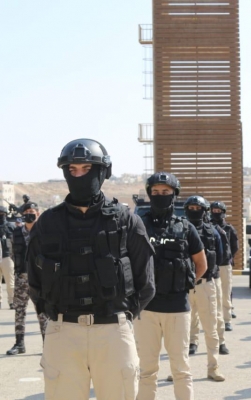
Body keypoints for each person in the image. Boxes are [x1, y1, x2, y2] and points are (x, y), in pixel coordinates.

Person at [28, 138, 155, 400]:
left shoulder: (126, 220)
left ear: (102, 172)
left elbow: (146, 282)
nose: (79, 176)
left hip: (113, 333)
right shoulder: (48, 223)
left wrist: (121, 318)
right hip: (63, 333)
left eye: (86, 169)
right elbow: (34, 281)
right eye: (72, 170)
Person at [136, 172, 208, 399]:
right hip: (146, 309)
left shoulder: (186, 228)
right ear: (149, 194)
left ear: (174, 194)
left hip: (177, 308)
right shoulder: (138, 225)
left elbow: (201, 264)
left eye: (165, 192)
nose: (160, 196)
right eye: (155, 192)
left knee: (181, 368)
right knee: (146, 370)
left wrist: (183, 283)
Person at [184, 195, 226, 381]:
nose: (194, 211)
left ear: (204, 211)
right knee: (180, 331)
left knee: (210, 328)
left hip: (205, 284)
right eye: (191, 208)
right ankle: (179, 369)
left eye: (198, 208)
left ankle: (213, 367)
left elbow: (220, 257)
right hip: (183, 287)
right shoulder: (179, 229)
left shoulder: (213, 232)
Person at [6, 201, 48, 355]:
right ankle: (19, 344)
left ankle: (47, 345)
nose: (29, 215)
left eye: (32, 212)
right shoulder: (16, 233)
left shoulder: (43, 232)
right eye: (26, 213)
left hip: (40, 278)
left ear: (38, 214)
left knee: (43, 312)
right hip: (21, 278)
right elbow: (12, 254)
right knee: (19, 311)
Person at [210, 201, 238, 329]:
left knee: (225, 293)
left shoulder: (229, 228)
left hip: (224, 264)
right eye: (214, 211)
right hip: (211, 265)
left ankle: (227, 320)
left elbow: (234, 246)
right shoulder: (208, 227)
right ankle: (213, 320)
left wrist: (228, 257)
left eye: (219, 211)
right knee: (211, 294)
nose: (216, 213)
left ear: (223, 212)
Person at [0, 205, 15, 309]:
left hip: (7, 256)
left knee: (10, 282)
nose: (1, 216)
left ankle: (11, 301)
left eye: (2, 214)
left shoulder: (10, 226)